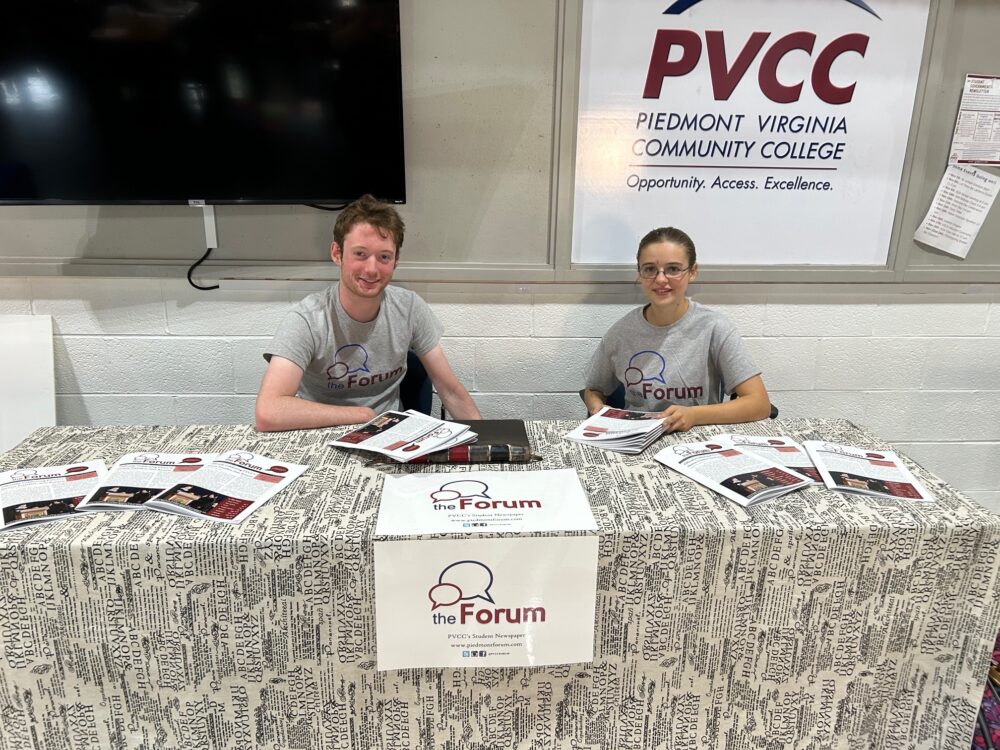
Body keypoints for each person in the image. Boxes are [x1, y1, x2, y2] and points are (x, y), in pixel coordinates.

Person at [256, 195, 481, 431]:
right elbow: (269, 411)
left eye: (384, 257)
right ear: (337, 253)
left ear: (395, 261)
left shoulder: (410, 308)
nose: (372, 269)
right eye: (360, 254)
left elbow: (450, 391)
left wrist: (487, 443)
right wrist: (362, 415)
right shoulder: (308, 319)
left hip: (389, 437)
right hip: (319, 434)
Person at [583, 226, 771, 432]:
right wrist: (596, 407)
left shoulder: (715, 328)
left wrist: (694, 415)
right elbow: (594, 389)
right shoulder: (621, 332)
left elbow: (759, 403)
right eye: (649, 269)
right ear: (640, 273)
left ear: (692, 272)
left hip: (698, 439)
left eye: (673, 269)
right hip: (636, 440)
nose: (661, 279)